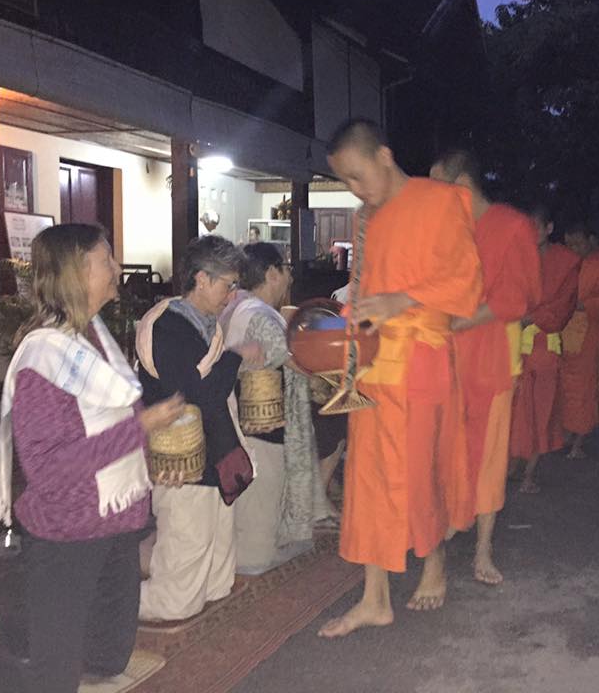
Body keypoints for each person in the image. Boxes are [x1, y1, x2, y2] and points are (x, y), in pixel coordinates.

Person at [0, 223, 186, 693]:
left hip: (117, 520)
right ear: (76, 274)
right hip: (68, 531)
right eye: (106, 261)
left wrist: (153, 458)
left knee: (107, 655)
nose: (117, 269)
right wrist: (138, 429)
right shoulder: (45, 358)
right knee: (52, 683)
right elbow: (49, 469)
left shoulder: (95, 337)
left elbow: (117, 421)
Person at [318, 119, 482, 638]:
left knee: (414, 472)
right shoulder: (369, 219)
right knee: (366, 478)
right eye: (345, 181)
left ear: (384, 156)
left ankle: (432, 562)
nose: (355, 190)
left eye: (357, 176)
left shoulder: (440, 202)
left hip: (421, 359)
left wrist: (402, 300)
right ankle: (375, 598)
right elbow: (362, 289)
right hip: (373, 363)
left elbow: (466, 281)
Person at [429, 149, 542, 586]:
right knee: (449, 447)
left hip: (491, 358)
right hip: (446, 356)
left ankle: (483, 550)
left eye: (439, 186)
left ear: (461, 185)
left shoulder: (511, 227)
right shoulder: (448, 229)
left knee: (489, 457)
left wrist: (464, 318)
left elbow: (519, 298)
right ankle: (455, 517)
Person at [135, 235, 258, 622]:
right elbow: (196, 394)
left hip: (213, 456)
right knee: (177, 597)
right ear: (201, 279)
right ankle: (104, 607)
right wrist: (236, 356)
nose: (233, 294)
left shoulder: (201, 323)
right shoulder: (168, 326)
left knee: (216, 579)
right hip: (182, 464)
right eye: (229, 284)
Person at [220, 242, 329, 573]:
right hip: (263, 427)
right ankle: (249, 558)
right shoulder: (261, 318)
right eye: (287, 271)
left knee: (246, 502)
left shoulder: (235, 306)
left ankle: (236, 553)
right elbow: (300, 363)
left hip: (236, 419)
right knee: (259, 505)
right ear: (271, 273)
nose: (290, 279)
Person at [508, 206, 581, 493]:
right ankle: (512, 464)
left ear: (549, 228)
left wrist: (529, 318)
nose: (531, 233)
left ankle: (529, 474)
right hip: (513, 343)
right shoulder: (516, 256)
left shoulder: (565, 262)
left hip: (542, 347)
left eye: (536, 227)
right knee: (513, 410)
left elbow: (562, 307)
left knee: (539, 412)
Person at [558, 223, 599, 460]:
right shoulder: (562, 263)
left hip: (587, 333)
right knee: (563, 387)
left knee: (583, 388)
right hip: (561, 330)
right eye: (569, 244)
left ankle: (579, 440)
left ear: (590, 241)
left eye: (578, 243)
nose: (573, 248)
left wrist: (581, 305)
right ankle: (564, 432)